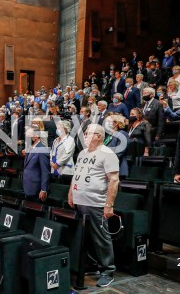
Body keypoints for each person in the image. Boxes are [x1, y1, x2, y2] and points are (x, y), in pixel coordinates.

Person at [68, 124, 119, 288]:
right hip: (80, 201)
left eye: (88, 133)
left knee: (101, 238)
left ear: (99, 136)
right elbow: (77, 174)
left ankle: (107, 271)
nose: (85, 135)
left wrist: (109, 205)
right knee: (86, 237)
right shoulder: (82, 153)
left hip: (96, 203)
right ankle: (91, 265)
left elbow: (114, 181)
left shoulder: (108, 154)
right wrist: (70, 193)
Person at [23, 128, 50, 202]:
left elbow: (45, 171)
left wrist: (44, 189)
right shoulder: (30, 147)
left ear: (36, 135)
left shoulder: (42, 149)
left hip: (35, 188)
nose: (27, 137)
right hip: (27, 185)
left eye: (29, 135)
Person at [50, 121, 75, 185]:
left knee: (63, 189)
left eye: (59, 128)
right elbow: (52, 151)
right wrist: (51, 162)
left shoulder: (70, 140)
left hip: (65, 170)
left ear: (65, 129)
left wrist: (57, 164)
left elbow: (67, 154)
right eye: (57, 128)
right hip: (54, 167)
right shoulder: (56, 140)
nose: (57, 130)